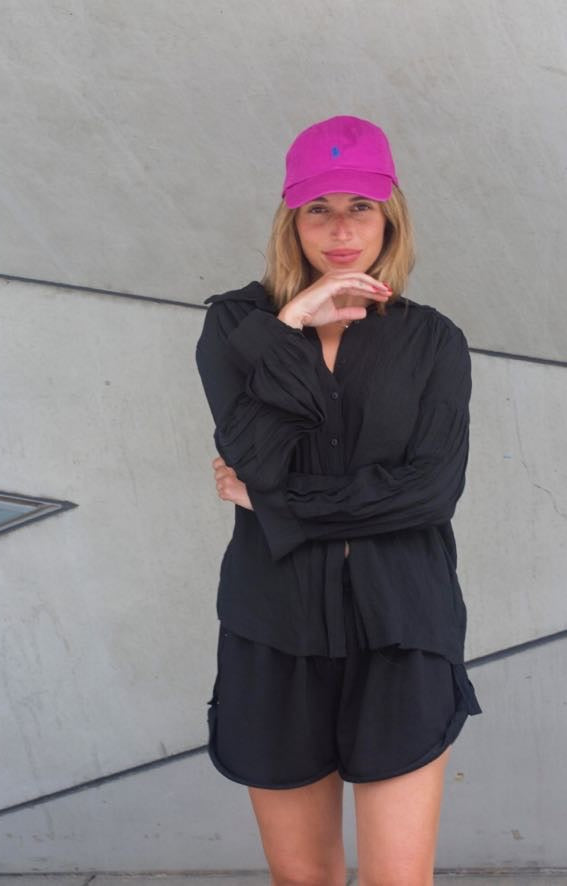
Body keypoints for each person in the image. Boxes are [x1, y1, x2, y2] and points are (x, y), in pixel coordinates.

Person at [195, 114, 483, 886]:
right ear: (290, 219)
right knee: (303, 879)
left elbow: (430, 492)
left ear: (390, 216)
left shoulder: (433, 342)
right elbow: (251, 457)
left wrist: (280, 503)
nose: (340, 228)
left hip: (402, 625)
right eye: (318, 208)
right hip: (273, 622)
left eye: (360, 206)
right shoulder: (237, 325)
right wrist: (289, 324)